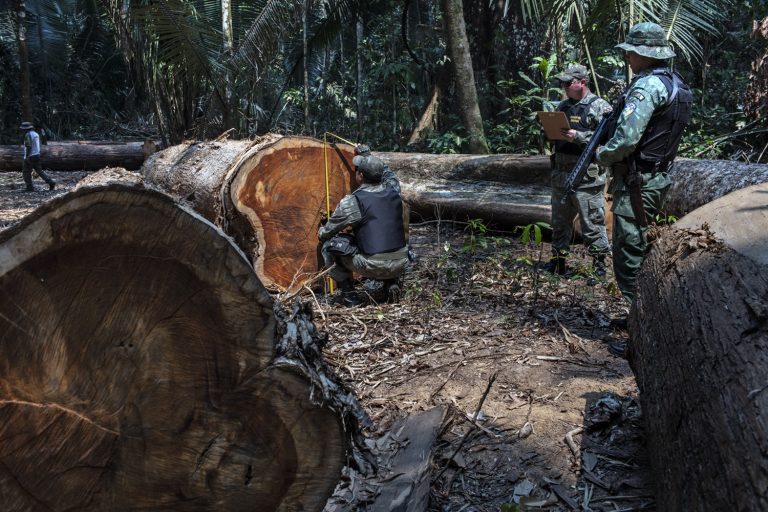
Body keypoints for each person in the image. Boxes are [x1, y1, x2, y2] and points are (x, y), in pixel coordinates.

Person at [596, 23, 692, 305]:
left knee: (629, 253)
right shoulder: (676, 83)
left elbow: (626, 140)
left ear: (646, 54)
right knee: (640, 244)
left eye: (632, 52)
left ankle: (637, 322)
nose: (628, 58)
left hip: (638, 181)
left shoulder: (647, 87)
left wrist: (603, 155)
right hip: (656, 178)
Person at [318, 145, 409, 306]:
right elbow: (388, 174)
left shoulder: (354, 201)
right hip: (402, 262)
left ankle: (350, 296)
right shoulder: (393, 189)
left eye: (357, 170)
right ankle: (390, 284)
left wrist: (321, 232)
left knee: (328, 246)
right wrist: (367, 155)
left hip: (373, 265)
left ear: (360, 175)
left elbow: (329, 230)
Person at [545, 64, 613, 277]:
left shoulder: (601, 107)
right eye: (562, 83)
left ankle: (599, 267)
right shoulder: (562, 107)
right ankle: (558, 262)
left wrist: (579, 136)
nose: (564, 86)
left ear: (582, 82)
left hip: (586, 176)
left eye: (568, 82)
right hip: (561, 174)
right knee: (559, 222)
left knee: (592, 222)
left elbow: (609, 143)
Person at [20, 121, 55, 191]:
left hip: (30, 156)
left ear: (26, 129)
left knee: (26, 172)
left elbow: (29, 146)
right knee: (39, 171)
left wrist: (27, 156)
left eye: (23, 129)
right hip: (36, 155)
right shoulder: (36, 134)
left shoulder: (27, 135)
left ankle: (29, 187)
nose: (22, 131)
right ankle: (50, 182)